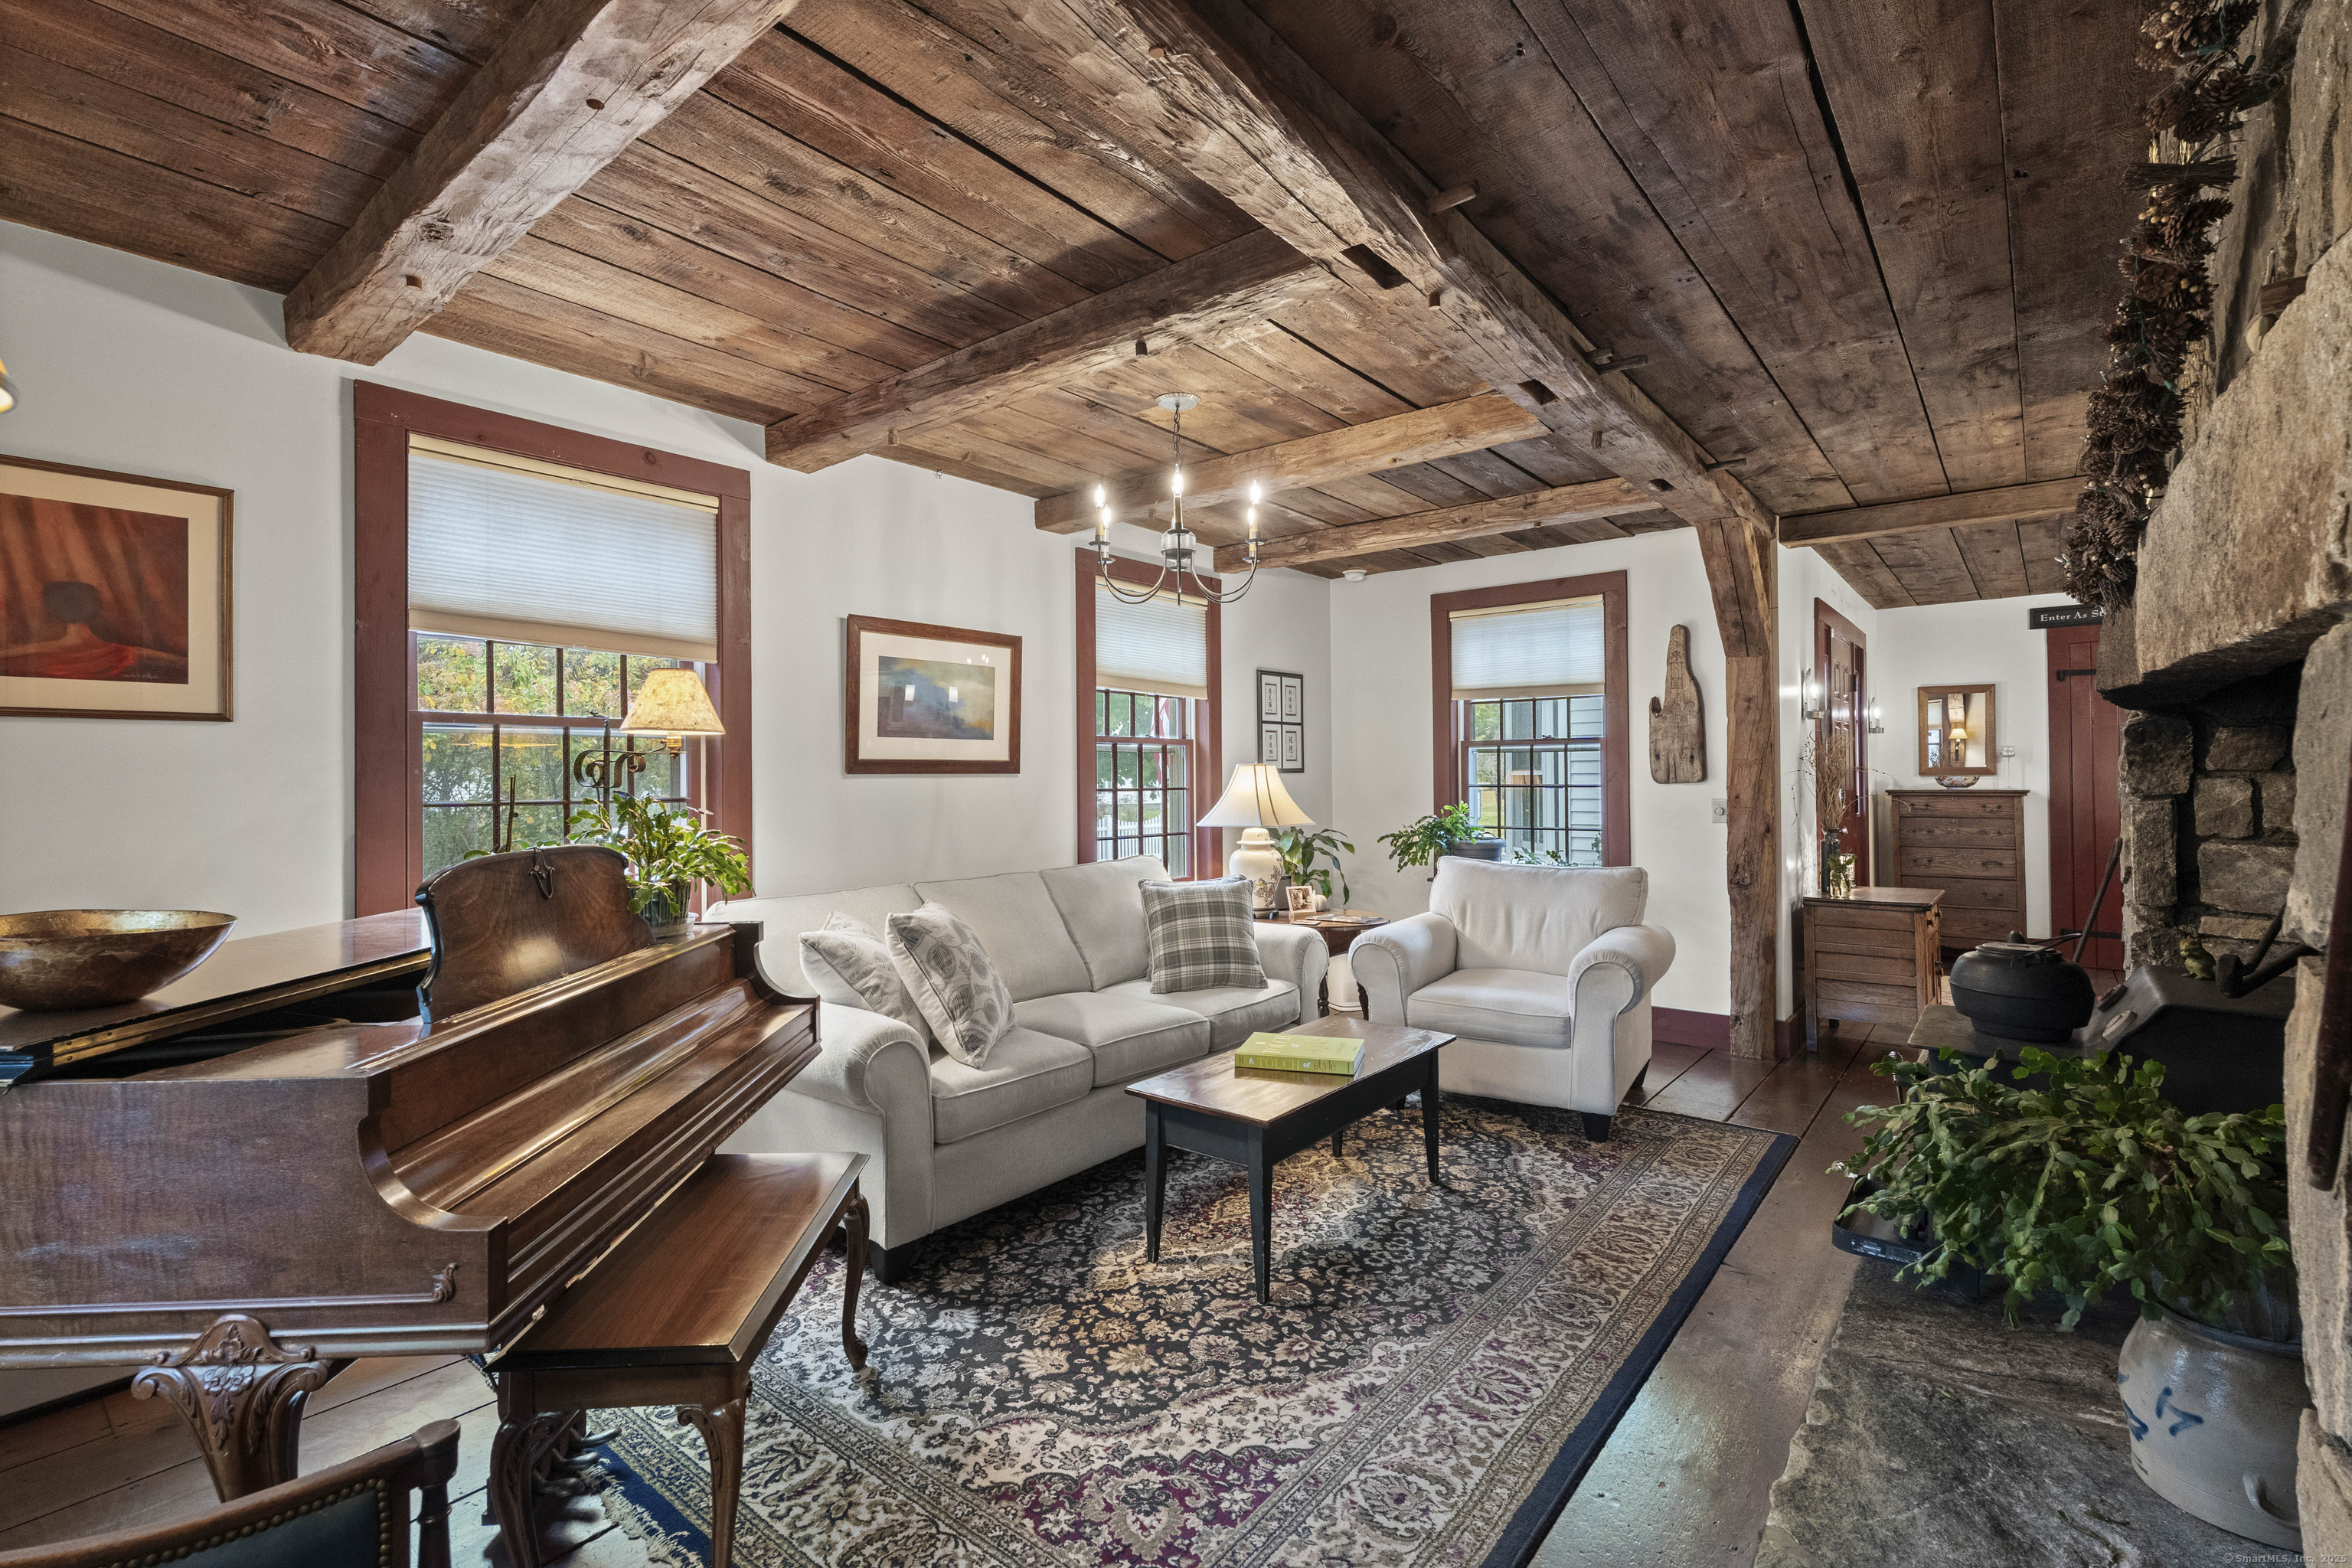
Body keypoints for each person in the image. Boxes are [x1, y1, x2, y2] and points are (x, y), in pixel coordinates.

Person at [0, 579, 188, 682]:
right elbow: (183, 663)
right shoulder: (125, 652)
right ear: (96, 609)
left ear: (52, 612)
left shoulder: (34, 655)